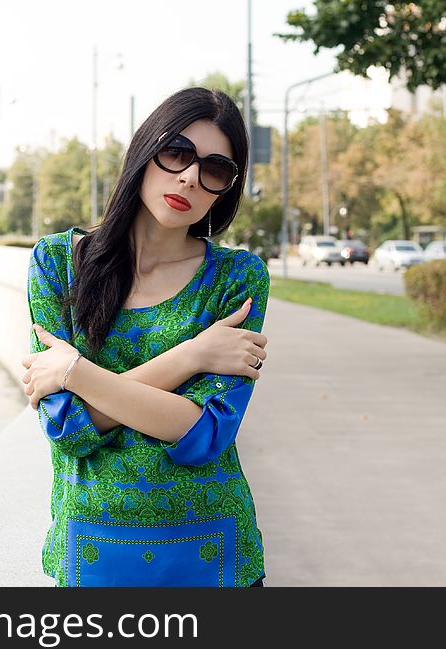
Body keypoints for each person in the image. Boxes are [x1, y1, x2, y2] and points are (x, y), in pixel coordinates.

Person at [20, 87, 270, 587]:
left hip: (214, 559)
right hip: (91, 558)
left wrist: (77, 375)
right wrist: (195, 354)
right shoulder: (58, 265)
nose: (189, 178)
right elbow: (68, 429)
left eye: (215, 169)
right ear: (145, 149)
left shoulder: (237, 279)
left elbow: (204, 435)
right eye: (176, 152)